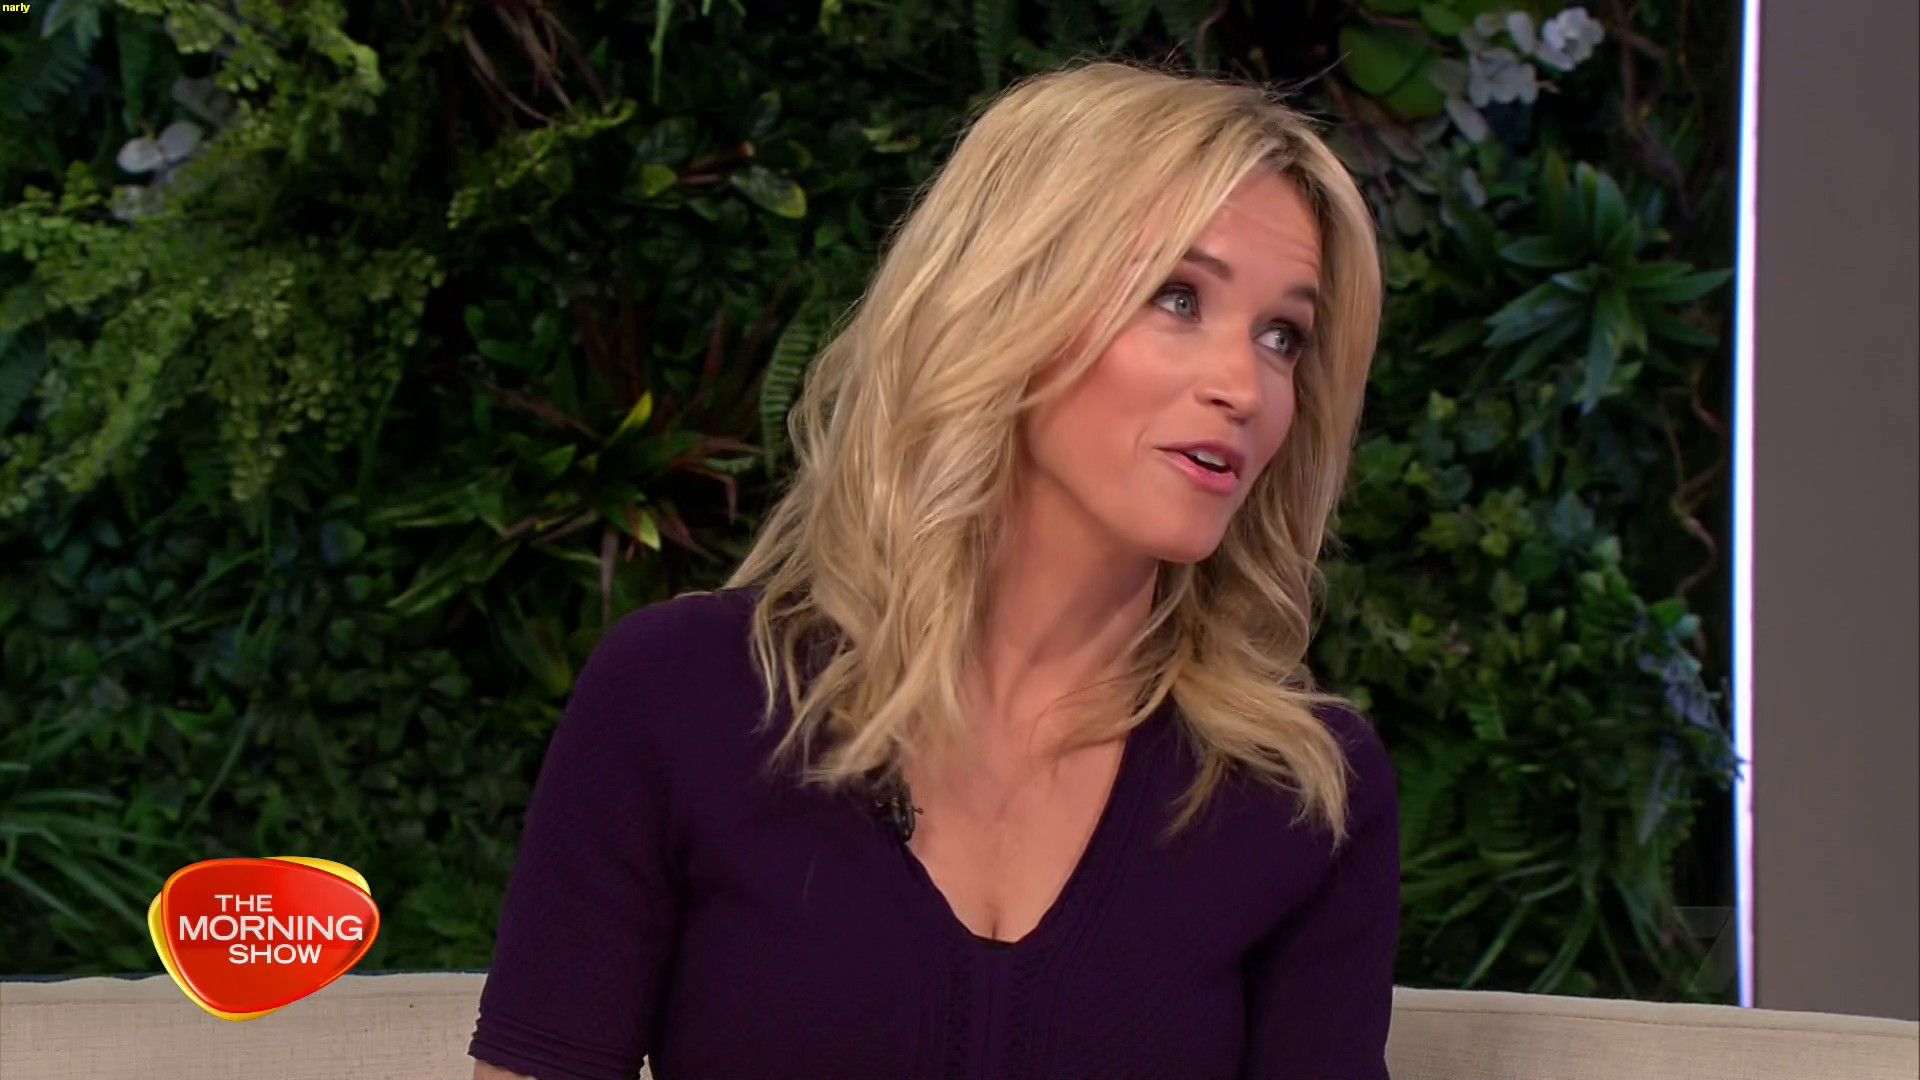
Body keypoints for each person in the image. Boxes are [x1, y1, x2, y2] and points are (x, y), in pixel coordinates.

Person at [470, 55, 1398, 1080]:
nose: (1247, 388)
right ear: (1010, 298)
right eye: (1178, 297)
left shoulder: (1300, 794)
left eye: (1284, 337)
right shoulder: (680, 698)